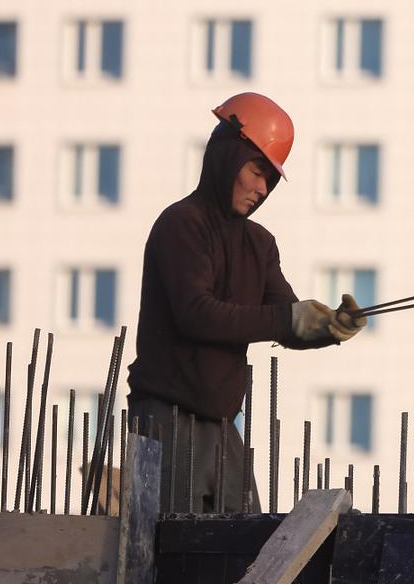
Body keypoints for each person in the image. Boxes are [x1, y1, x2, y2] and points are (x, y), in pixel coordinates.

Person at [126, 92, 367, 513]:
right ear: (226, 156)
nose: (261, 188)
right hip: (164, 420)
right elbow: (196, 313)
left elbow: (284, 318)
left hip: (220, 426)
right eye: (257, 172)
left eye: (270, 181)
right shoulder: (181, 225)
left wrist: (327, 327)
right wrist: (288, 319)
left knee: (245, 547)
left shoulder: (260, 244)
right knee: (167, 554)